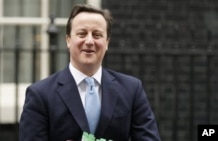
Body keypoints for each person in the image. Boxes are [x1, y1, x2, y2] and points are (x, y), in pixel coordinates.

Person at [19, 4, 161, 141]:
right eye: (82, 34)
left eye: (97, 35)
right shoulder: (40, 95)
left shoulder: (131, 90)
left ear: (107, 43)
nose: (89, 41)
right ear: (68, 40)